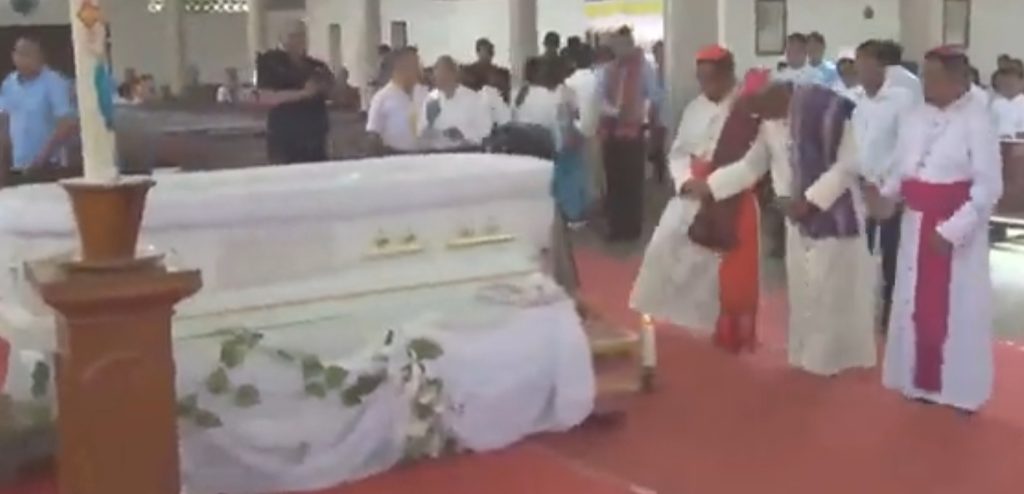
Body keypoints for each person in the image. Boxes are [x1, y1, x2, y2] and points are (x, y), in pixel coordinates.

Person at [693, 81, 877, 376]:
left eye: (761, 110)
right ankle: (808, 356)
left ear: (776, 96)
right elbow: (751, 167)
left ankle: (834, 359)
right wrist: (711, 187)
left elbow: (849, 164)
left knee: (832, 292)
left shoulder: (827, 108)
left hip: (833, 213)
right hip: (795, 217)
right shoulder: (769, 120)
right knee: (805, 290)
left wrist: (812, 200)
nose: (760, 118)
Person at [865, 46, 1002, 413]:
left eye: (934, 77)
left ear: (958, 80)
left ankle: (959, 392)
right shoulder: (914, 116)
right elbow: (902, 170)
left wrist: (953, 230)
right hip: (915, 226)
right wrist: (885, 196)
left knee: (958, 311)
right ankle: (917, 382)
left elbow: (988, 187)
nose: (926, 84)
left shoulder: (978, 119)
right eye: (924, 76)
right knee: (911, 303)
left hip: (954, 231)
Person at [632, 47, 767, 353]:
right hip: (691, 193)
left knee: (727, 273)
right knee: (666, 255)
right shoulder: (694, 107)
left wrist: (713, 186)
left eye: (712, 78)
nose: (706, 85)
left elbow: (755, 162)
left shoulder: (748, 110)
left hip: (732, 198)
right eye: (701, 78)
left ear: (728, 74)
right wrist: (684, 180)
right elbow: (679, 152)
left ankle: (728, 331)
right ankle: (678, 322)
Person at [853, 39, 916, 331]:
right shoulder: (859, 102)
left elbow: (907, 147)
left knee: (893, 255)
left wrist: (887, 185)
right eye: (858, 64)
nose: (860, 70)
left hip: (893, 190)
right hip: (862, 188)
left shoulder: (902, 99)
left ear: (882, 67)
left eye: (865, 64)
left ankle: (892, 317)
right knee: (860, 253)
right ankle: (861, 311)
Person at [513, 56, 584, 292]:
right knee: (554, 200)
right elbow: (560, 128)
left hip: (524, 154)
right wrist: (564, 145)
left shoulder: (521, 94)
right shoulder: (555, 97)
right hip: (547, 151)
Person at [597, 26, 663, 242]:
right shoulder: (608, 70)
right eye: (615, 45)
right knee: (614, 181)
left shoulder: (645, 69)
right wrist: (614, 111)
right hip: (611, 132)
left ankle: (632, 228)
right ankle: (616, 227)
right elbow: (600, 98)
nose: (619, 49)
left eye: (622, 44)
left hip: (635, 132)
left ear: (631, 44)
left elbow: (655, 97)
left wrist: (648, 120)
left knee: (632, 182)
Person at [255, 21, 334, 164]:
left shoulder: (316, 66)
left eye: (302, 35)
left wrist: (332, 86)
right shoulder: (270, 63)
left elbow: (331, 93)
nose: (298, 40)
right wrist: (303, 93)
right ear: (282, 38)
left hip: (315, 137)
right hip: (285, 135)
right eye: (293, 35)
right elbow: (264, 96)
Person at [0, 37, 77, 175]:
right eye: (20, 53)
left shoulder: (54, 82)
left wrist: (41, 158)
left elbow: (65, 124)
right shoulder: (9, 84)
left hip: (49, 165)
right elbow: (4, 121)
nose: (23, 59)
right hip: (17, 165)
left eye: (29, 54)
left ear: (40, 57)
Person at [417, 56, 491, 151]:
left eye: (444, 75)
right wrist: (429, 133)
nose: (440, 79)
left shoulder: (474, 99)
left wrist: (463, 135)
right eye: (437, 76)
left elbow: (485, 131)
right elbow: (421, 131)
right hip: (437, 155)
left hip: (466, 153)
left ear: (454, 75)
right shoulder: (430, 100)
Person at [366, 47, 429, 154]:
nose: (419, 69)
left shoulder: (425, 93)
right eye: (414, 65)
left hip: (425, 155)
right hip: (395, 156)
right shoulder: (381, 98)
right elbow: (373, 134)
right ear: (400, 68)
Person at [563, 44, 603, 208]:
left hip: (576, 131)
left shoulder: (569, 82)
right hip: (595, 129)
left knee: (578, 171)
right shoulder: (598, 79)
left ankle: (580, 203)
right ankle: (595, 200)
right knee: (595, 169)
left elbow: (570, 109)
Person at [463, 38, 511, 102]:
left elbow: (507, 97)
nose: (489, 53)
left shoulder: (502, 74)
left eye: (490, 50)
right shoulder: (467, 72)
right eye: (486, 50)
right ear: (478, 52)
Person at [648, 40, 669, 183]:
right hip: (659, 113)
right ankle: (659, 174)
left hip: (664, 112)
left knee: (661, 145)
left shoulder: (666, 73)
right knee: (657, 145)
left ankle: (661, 174)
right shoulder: (656, 73)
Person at [991, 68, 1024, 138]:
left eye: (1011, 83)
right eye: (1004, 84)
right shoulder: (995, 104)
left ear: (1022, 83)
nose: (1008, 86)